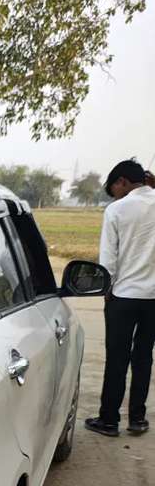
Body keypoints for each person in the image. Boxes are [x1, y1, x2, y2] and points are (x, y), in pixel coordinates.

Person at [85, 159, 155, 437]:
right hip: (153, 298)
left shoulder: (117, 210)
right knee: (144, 356)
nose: (114, 193)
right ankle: (137, 418)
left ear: (122, 181)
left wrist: (105, 290)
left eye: (114, 187)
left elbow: (108, 259)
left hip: (123, 296)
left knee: (117, 358)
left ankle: (109, 419)